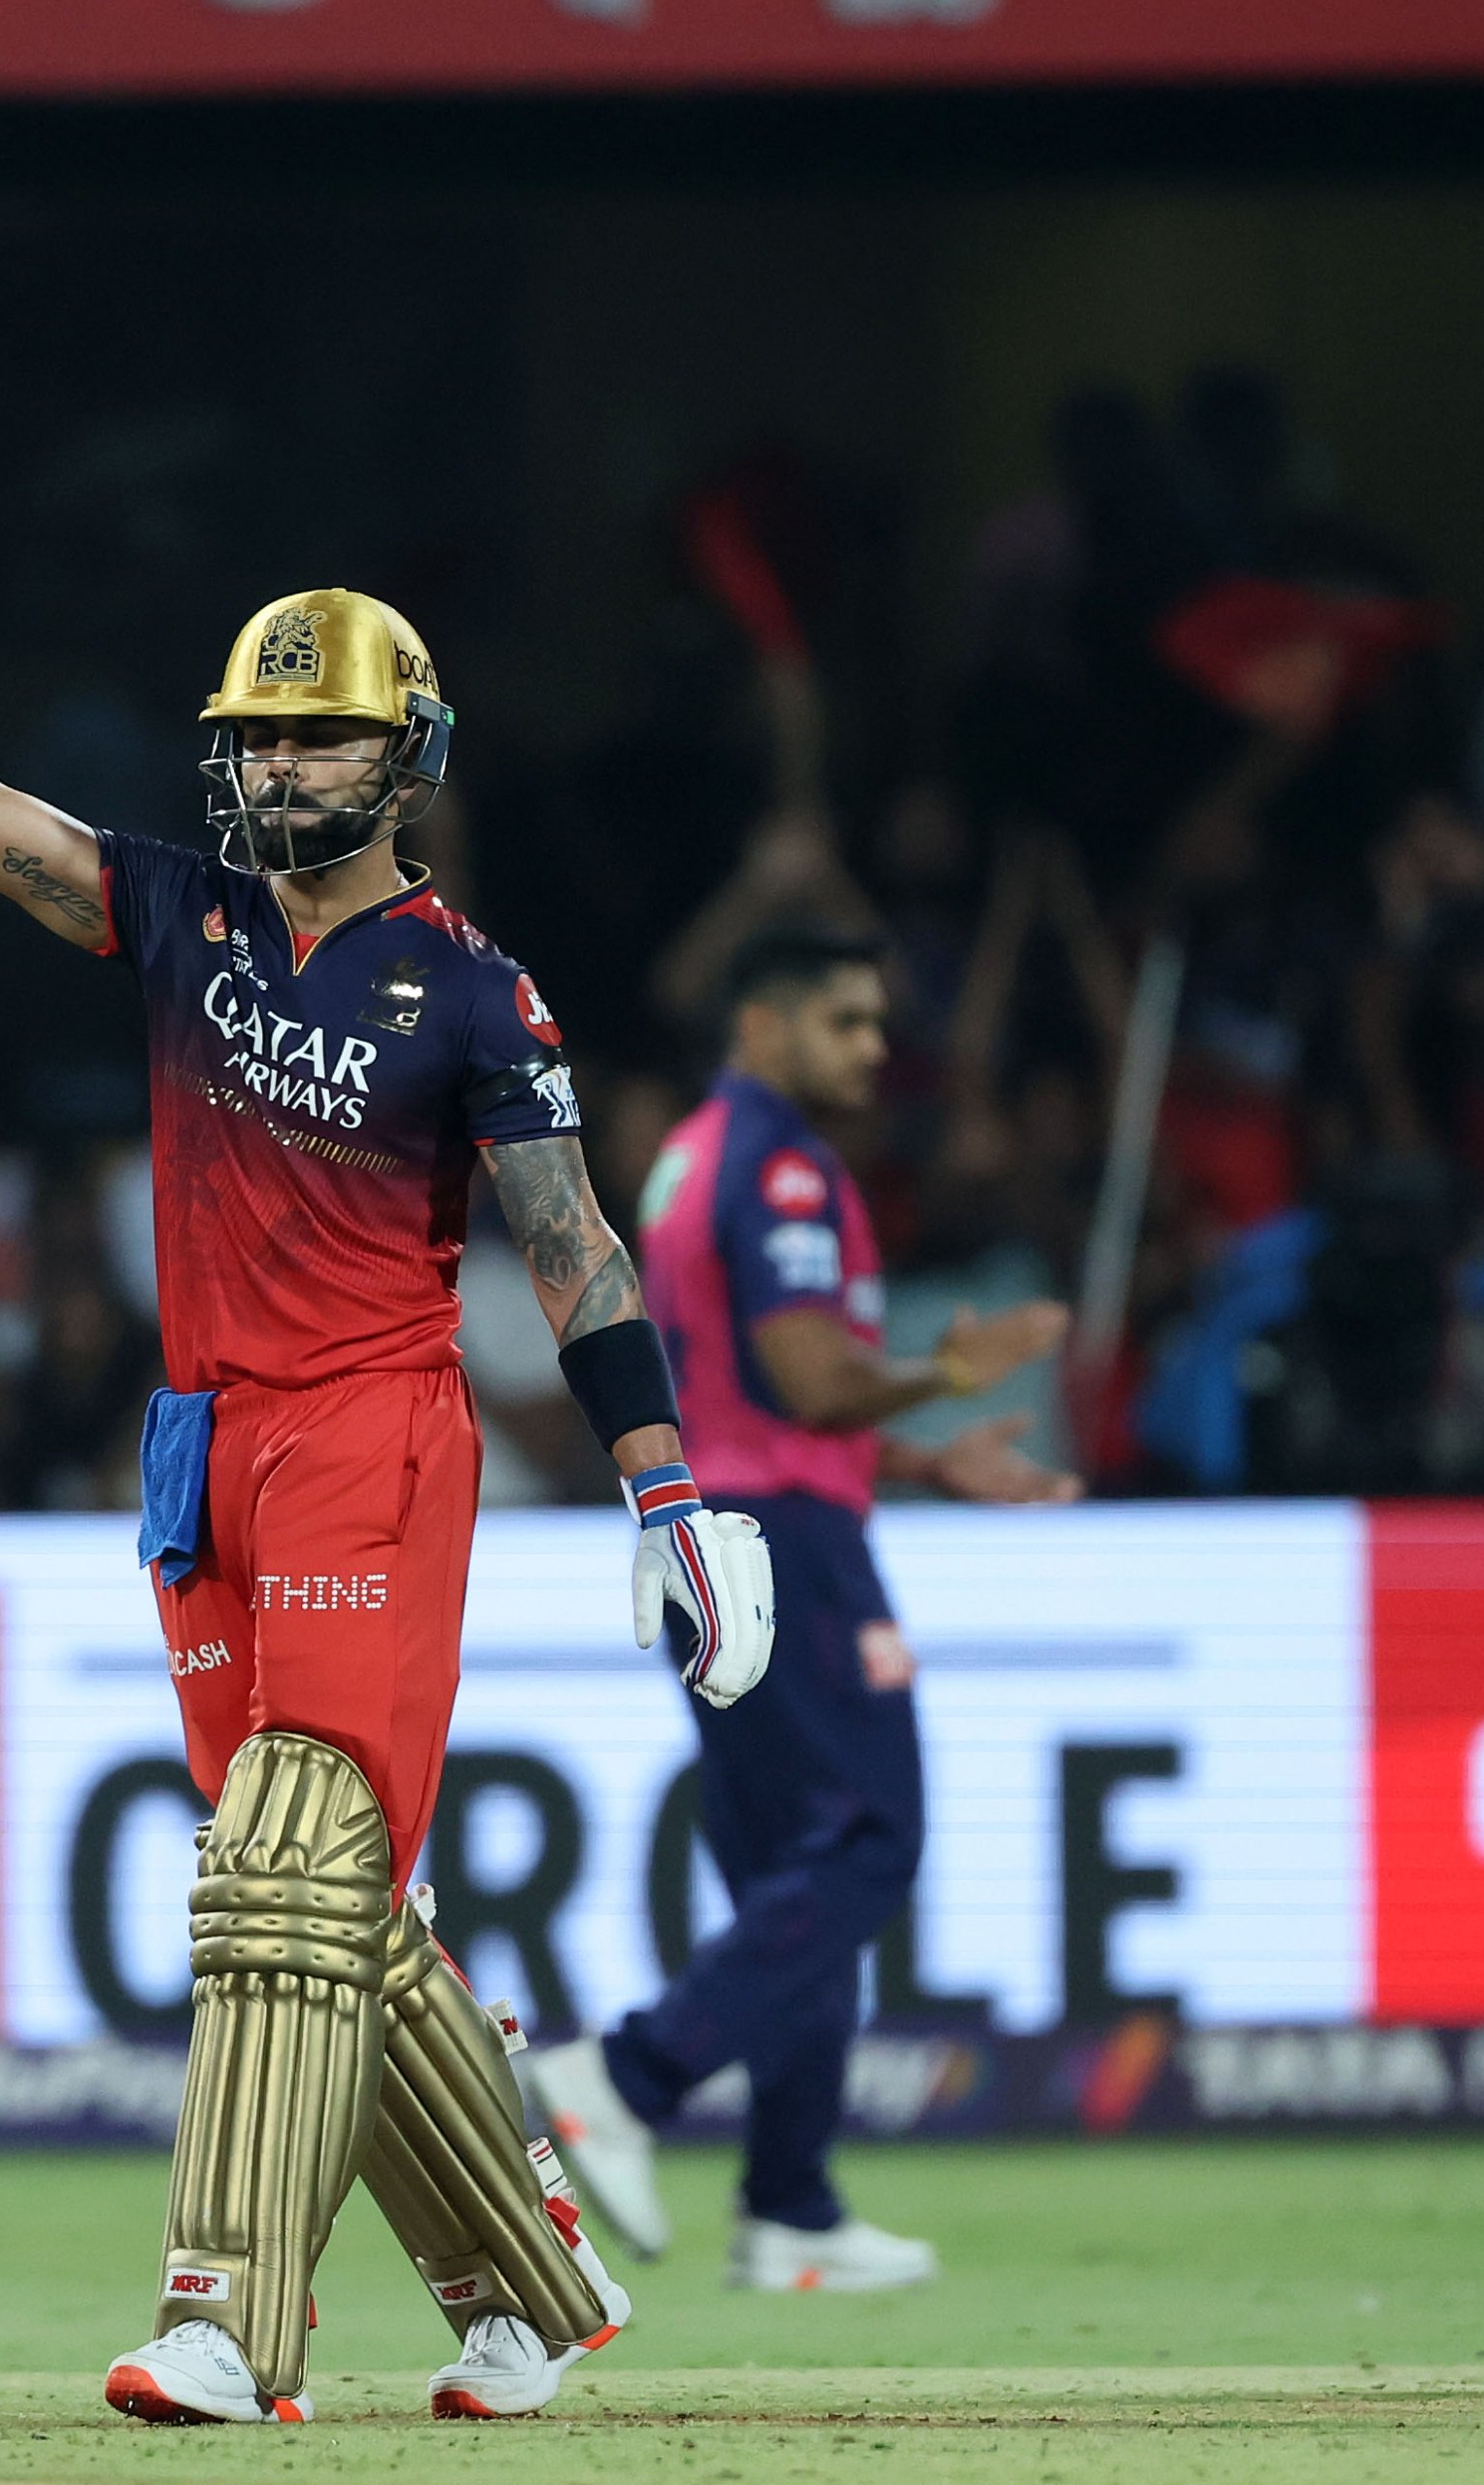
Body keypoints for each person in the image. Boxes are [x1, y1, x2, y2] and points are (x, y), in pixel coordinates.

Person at [0, 460, 775, 2425]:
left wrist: (665, 1483)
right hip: (203, 1446)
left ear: (406, 753)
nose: (276, 764)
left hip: (370, 1435)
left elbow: (572, 1246)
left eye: (316, 733)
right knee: (334, 1909)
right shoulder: (182, 913)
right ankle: (530, 2285)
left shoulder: (476, 994)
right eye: (255, 735)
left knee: (280, 1867)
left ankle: (230, 2323)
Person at [520, 924, 1077, 2295]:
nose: (875, 1049)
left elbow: (745, 1391)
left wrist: (923, 1461)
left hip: (713, 1530)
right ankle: (627, 2078)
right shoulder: (780, 1167)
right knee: (872, 1836)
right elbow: (815, 1384)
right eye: (846, 1022)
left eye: (878, 1023)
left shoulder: (694, 1156)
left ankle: (791, 2204)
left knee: (796, 1869)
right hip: (786, 1545)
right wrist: (944, 1373)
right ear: (762, 1028)